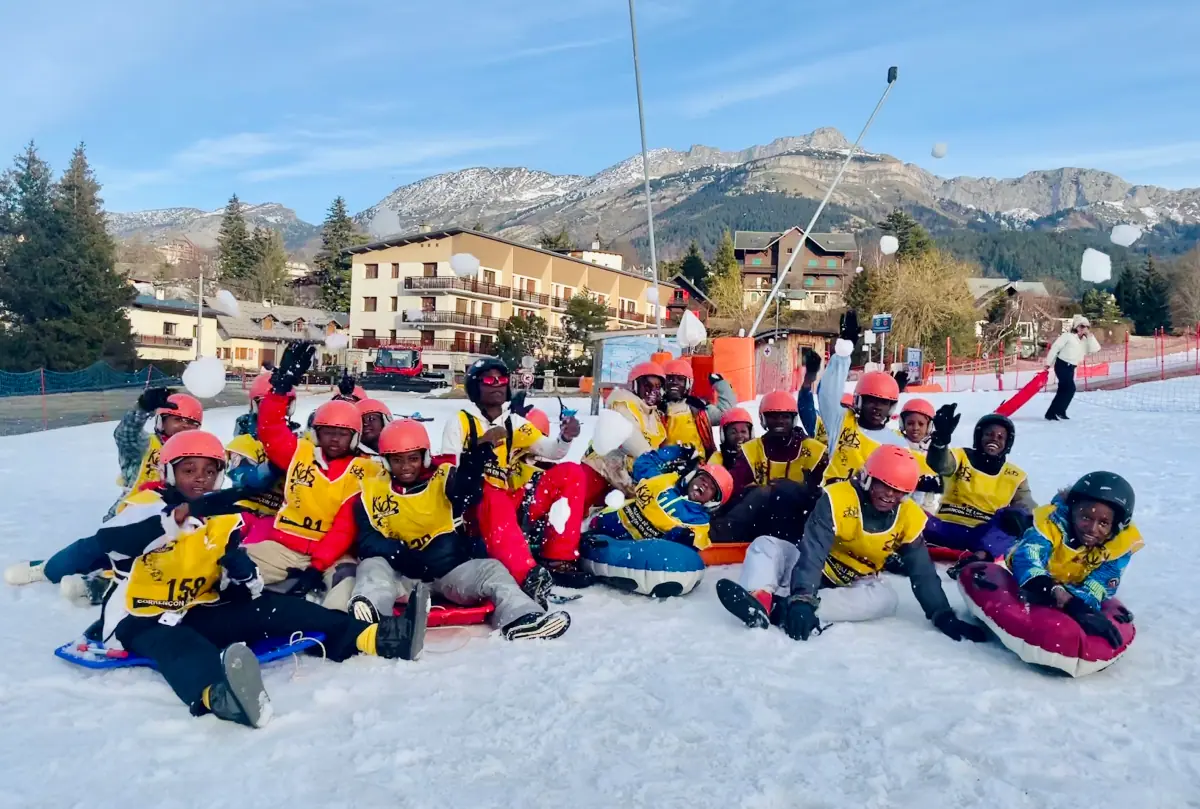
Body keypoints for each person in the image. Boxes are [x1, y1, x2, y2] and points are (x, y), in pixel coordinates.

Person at [95, 430, 426, 728]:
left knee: (280, 609)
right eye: (189, 470)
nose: (200, 480)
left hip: (198, 610)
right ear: (169, 473)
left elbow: (238, 584)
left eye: (209, 471)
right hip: (140, 618)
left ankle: (375, 637)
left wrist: (243, 579)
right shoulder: (144, 506)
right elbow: (112, 542)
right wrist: (172, 521)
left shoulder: (222, 520)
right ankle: (219, 696)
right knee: (184, 649)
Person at [717, 445, 986, 644]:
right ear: (868, 478)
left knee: (887, 599)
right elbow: (813, 550)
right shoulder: (838, 498)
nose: (889, 495)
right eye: (884, 485)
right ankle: (762, 600)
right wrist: (802, 596)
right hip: (809, 569)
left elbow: (922, 570)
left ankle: (781, 607)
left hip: (853, 582)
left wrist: (941, 613)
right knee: (766, 545)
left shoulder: (909, 516)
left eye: (897, 490)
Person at [338, 419, 571, 639]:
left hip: (448, 574)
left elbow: (465, 490)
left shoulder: (444, 478)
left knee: (492, 569)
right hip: (401, 578)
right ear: (387, 461)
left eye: (412, 459)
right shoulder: (371, 491)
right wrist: (400, 554)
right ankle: (371, 619)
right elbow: (367, 540)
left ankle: (521, 617)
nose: (406, 467)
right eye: (397, 460)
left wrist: (473, 464)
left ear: (425, 457)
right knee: (370, 566)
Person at [3, 388, 205, 589]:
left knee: (157, 561)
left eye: (191, 423)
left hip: (171, 522)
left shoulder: (198, 456)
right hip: (130, 516)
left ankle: (99, 585)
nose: (184, 427)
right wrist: (142, 408)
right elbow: (126, 435)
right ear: (162, 421)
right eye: (178, 420)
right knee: (94, 549)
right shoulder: (145, 445)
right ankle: (48, 569)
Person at [244, 343, 378, 609]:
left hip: (334, 554)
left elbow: (345, 527)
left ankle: (330, 626)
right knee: (229, 568)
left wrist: (318, 566)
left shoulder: (366, 470)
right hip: (284, 546)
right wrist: (280, 389)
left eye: (342, 433)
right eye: (328, 432)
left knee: (346, 586)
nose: (334, 439)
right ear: (316, 432)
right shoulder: (299, 453)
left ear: (355, 437)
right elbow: (270, 430)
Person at [440, 358, 586, 599]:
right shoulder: (461, 422)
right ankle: (525, 572)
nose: (497, 384)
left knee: (571, 472)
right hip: (476, 507)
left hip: (512, 500)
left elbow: (552, 451)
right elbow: (448, 476)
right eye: (489, 379)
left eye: (502, 379)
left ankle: (558, 558)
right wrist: (480, 448)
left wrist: (565, 437)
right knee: (491, 492)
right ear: (476, 386)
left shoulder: (514, 423)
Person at [1004, 471, 1141, 648]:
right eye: (1085, 517)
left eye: (1103, 523)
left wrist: (1082, 605)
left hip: (1074, 583)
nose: (1092, 529)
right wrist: (1060, 596)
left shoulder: (1117, 546)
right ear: (1072, 511)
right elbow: (1028, 560)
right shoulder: (1050, 527)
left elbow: (1100, 584)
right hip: (1039, 579)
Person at [923, 407, 1036, 564]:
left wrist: (1035, 519)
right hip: (944, 527)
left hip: (983, 535)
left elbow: (1027, 507)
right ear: (979, 437)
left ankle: (979, 558)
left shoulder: (1015, 476)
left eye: (1000, 437)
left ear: (1007, 443)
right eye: (989, 434)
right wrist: (940, 443)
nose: (994, 439)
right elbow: (941, 464)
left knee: (1014, 518)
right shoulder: (961, 456)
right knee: (909, 509)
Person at [588, 453, 733, 550]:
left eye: (711, 488)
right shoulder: (668, 481)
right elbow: (643, 465)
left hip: (636, 546)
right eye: (702, 479)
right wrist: (675, 452)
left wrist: (684, 538)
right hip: (616, 520)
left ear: (712, 501)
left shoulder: (698, 521)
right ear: (692, 477)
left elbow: (698, 542)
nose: (704, 485)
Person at [581, 361, 669, 502]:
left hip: (626, 478)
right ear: (634, 386)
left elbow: (658, 445)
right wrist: (658, 467)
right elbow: (636, 444)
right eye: (647, 385)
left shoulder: (653, 414)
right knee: (579, 507)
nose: (653, 391)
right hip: (600, 471)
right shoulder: (622, 403)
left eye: (657, 387)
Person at [731, 391, 827, 497]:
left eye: (785, 416)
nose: (780, 421)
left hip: (803, 509)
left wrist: (798, 489)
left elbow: (826, 489)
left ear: (793, 419)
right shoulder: (751, 450)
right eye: (773, 417)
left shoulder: (813, 450)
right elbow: (734, 484)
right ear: (763, 419)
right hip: (761, 509)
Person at [661, 359, 736, 459]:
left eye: (680, 379)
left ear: (688, 383)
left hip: (698, 467)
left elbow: (726, 415)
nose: (674, 383)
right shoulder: (656, 411)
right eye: (670, 378)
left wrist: (721, 385)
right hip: (665, 468)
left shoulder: (698, 409)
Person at [1044, 314, 1102, 421]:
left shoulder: (1085, 341)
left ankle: (1055, 412)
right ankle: (1056, 411)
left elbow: (1096, 349)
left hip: (1071, 367)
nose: (1083, 328)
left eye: (1086, 327)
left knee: (1063, 390)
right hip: (1062, 365)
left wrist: (1089, 335)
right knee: (1070, 388)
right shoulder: (1068, 336)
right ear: (1076, 326)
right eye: (1081, 326)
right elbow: (1055, 348)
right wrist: (1048, 363)